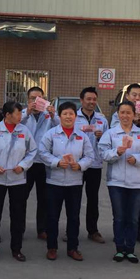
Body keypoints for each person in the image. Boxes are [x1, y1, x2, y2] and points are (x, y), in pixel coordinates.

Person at [99, 101, 140, 263]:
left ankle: (130, 249)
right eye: (122, 112)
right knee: (119, 217)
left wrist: (137, 159)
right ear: (118, 114)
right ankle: (119, 248)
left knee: (133, 218)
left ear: (134, 115)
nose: (125, 116)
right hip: (116, 182)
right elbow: (102, 153)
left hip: (137, 183)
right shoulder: (111, 133)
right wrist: (116, 152)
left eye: (128, 112)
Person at [0, 101, 37, 262]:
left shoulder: (24, 131)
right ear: (7, 115)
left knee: (18, 215)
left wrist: (23, 165)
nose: (20, 116)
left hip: (18, 179)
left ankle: (16, 249)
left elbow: (32, 151)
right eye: (17, 113)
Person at [39, 102, 94, 261]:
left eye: (71, 114)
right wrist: (56, 162)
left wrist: (80, 165)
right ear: (60, 116)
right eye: (65, 114)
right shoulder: (51, 134)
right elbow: (42, 152)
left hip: (74, 183)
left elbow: (89, 156)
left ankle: (72, 248)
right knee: (52, 217)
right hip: (54, 182)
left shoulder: (82, 136)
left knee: (74, 217)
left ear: (75, 117)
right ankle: (52, 247)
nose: (68, 117)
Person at [111, 83, 140, 245]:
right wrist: (130, 120)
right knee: (120, 202)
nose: (137, 98)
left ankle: (139, 231)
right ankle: (121, 232)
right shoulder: (119, 114)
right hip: (121, 161)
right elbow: (113, 131)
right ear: (128, 96)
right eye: (134, 95)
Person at [22, 86, 59, 240]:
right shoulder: (23, 114)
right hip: (26, 162)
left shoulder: (49, 115)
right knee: (21, 197)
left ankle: (42, 229)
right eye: (33, 98)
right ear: (28, 100)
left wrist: (54, 115)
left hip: (44, 162)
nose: (36, 101)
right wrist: (27, 112)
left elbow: (59, 127)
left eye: (39, 98)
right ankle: (19, 228)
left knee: (44, 198)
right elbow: (15, 123)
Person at [74, 87, 109, 244]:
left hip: (95, 164)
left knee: (93, 199)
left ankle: (93, 230)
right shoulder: (74, 117)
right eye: (88, 99)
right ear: (81, 100)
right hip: (77, 165)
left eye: (94, 99)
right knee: (74, 199)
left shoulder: (102, 120)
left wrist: (101, 137)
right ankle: (71, 230)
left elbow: (108, 142)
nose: (91, 102)